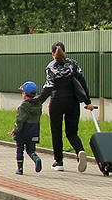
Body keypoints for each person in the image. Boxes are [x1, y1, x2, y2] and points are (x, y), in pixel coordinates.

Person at [36, 41, 96, 172]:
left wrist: (37, 102)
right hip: (73, 102)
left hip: (57, 102)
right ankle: (80, 151)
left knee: (56, 132)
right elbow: (82, 83)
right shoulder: (73, 64)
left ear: (52, 54)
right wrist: (88, 102)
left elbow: (48, 87)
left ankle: (59, 162)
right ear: (65, 51)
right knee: (72, 132)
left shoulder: (51, 67)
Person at [10, 81, 44, 175]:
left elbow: (20, 120)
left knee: (20, 149)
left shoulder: (23, 106)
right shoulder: (38, 105)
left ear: (24, 93)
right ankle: (36, 158)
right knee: (30, 149)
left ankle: (20, 169)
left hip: (23, 131)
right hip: (34, 129)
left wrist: (15, 131)